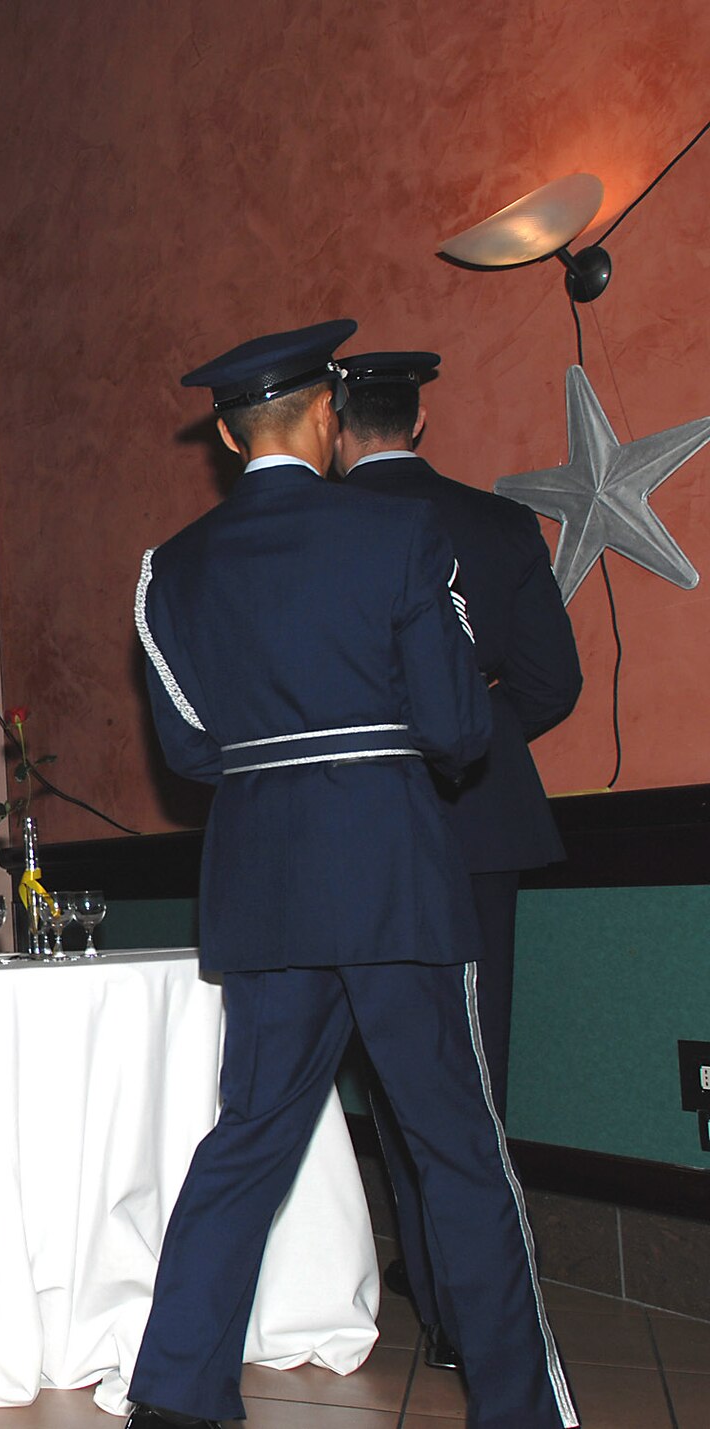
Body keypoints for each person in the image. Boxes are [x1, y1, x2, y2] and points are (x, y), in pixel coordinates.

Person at [124, 320, 577, 1429]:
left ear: (228, 436)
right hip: (393, 879)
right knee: (455, 1144)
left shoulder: (168, 568)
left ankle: (177, 1394)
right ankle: (516, 1406)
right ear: (327, 416)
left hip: (263, 887)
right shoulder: (403, 535)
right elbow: (456, 727)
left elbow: (188, 751)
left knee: (247, 1140)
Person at [335, 349, 584, 1370]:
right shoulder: (497, 523)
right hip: (481, 819)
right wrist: (469, 732)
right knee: (476, 1071)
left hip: (361, 825)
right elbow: (552, 682)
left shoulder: (323, 530)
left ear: (334, 426)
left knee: (399, 1068)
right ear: (420, 419)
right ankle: (483, 1305)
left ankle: (440, 1302)